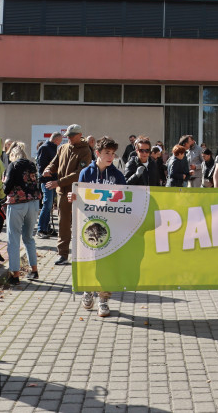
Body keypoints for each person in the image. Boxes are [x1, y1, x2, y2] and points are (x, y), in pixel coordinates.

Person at [69, 136, 126, 318]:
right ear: (97, 153)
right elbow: (80, 196)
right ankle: (87, 290)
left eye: (113, 153)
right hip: (89, 225)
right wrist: (73, 197)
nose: (111, 156)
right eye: (107, 153)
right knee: (89, 261)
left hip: (109, 227)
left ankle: (103, 299)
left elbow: (125, 198)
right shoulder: (86, 173)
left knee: (107, 264)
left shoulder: (117, 175)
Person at [43, 124, 93, 266]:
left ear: (80, 135)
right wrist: (48, 169)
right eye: (68, 136)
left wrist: (59, 182)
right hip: (62, 193)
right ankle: (63, 255)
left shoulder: (85, 151)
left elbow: (78, 174)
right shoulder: (63, 148)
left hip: (77, 193)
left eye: (72, 136)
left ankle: (83, 255)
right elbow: (54, 163)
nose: (69, 138)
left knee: (80, 224)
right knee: (63, 224)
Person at [3, 142, 40, 286]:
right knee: (28, 237)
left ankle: (15, 274)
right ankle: (34, 270)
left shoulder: (13, 165)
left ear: (13, 154)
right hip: (33, 203)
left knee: (13, 238)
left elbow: (7, 188)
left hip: (17, 203)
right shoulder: (31, 165)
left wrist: (4, 182)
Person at [35, 132, 63, 237]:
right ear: (56, 139)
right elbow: (41, 166)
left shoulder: (54, 148)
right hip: (47, 180)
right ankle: (41, 229)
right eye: (60, 140)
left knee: (49, 205)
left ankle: (46, 227)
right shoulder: (45, 148)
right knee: (47, 204)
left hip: (53, 180)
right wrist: (48, 173)